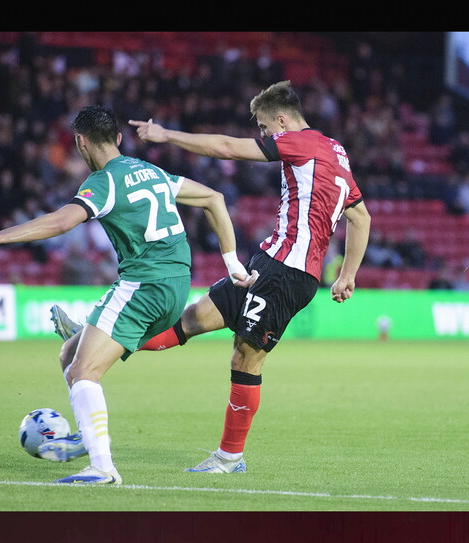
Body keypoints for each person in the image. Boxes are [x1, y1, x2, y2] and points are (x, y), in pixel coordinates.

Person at [54, 80, 370, 474]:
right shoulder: (335, 151)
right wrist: (347, 275)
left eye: (264, 127)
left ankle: (229, 457)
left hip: (288, 272)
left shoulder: (301, 142)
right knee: (187, 321)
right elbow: (360, 216)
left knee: (246, 357)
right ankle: (92, 337)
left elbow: (226, 147)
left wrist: (166, 134)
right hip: (269, 263)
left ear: (283, 121)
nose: (263, 135)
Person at [0, 105, 257, 485]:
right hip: (177, 284)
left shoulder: (105, 181)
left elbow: (62, 221)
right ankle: (87, 433)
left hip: (144, 284)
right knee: (70, 354)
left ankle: (102, 466)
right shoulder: (151, 171)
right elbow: (214, 198)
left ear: (80, 142)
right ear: (118, 138)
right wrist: (232, 264)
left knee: (84, 371)